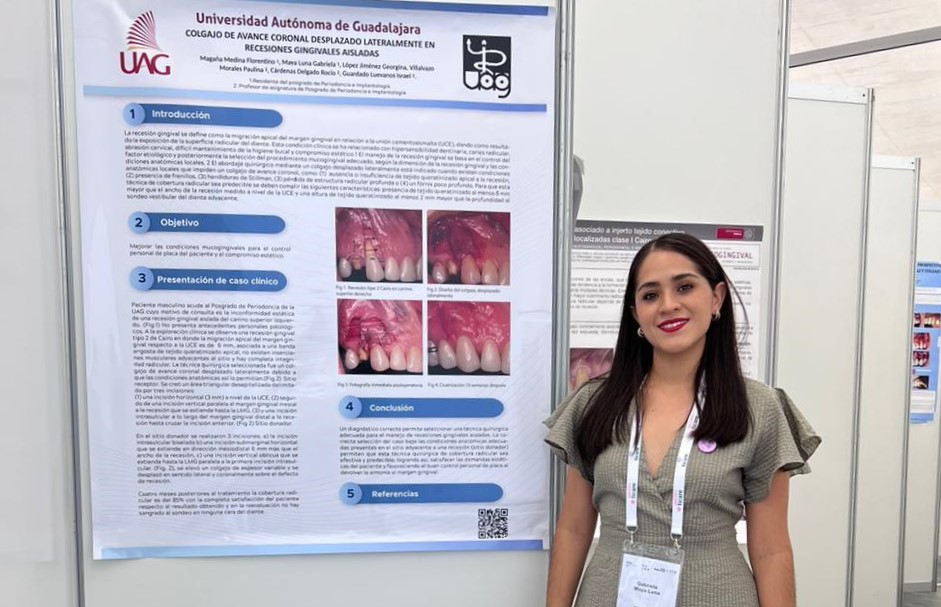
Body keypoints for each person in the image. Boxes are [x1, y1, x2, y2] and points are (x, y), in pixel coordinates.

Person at [544, 233, 819, 607]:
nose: (668, 305)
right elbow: (574, 529)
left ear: (716, 298)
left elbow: (771, 549)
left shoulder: (759, 408)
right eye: (650, 295)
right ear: (635, 314)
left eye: (684, 287)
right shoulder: (594, 403)